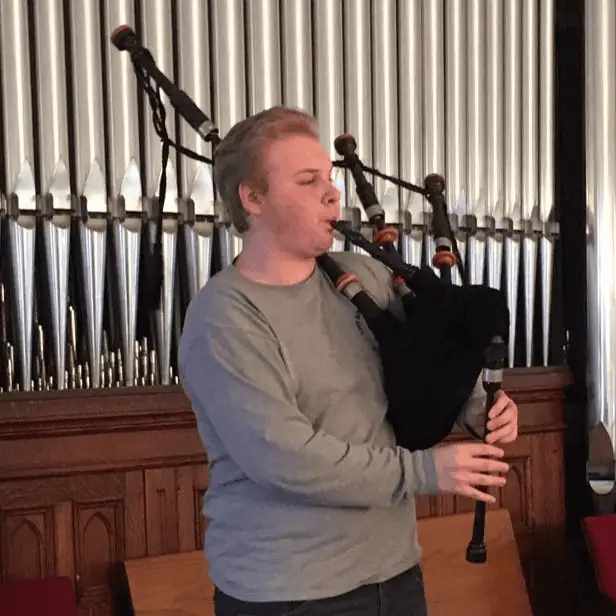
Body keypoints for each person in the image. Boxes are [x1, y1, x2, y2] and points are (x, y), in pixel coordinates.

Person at [178, 106, 519, 616]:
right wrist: (424, 471)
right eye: (307, 180)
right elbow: (286, 458)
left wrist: (477, 406)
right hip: (290, 591)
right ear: (252, 198)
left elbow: (428, 361)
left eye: (330, 179)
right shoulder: (224, 317)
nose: (333, 194)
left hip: (394, 570)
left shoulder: (365, 278)